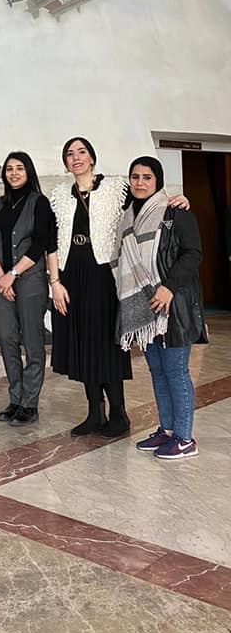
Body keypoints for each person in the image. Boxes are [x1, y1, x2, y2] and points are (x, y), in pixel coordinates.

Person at [48, 137, 188, 438]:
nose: (76, 158)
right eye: (70, 154)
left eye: (82, 152)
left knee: (106, 344)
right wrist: (55, 282)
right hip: (72, 276)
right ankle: (94, 413)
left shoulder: (115, 188)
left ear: (92, 158)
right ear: (65, 163)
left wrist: (176, 200)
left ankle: (118, 414)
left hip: (105, 276)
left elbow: (145, 202)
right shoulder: (59, 195)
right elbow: (51, 241)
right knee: (82, 343)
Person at [112, 157, 204, 459]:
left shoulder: (175, 212)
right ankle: (167, 430)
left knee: (175, 371)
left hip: (173, 306)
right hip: (144, 309)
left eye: (147, 177)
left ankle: (185, 438)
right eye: (135, 176)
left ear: (158, 181)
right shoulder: (127, 217)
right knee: (158, 371)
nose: (140, 182)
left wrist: (168, 287)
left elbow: (192, 254)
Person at [0, 152, 53, 426]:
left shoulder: (39, 202)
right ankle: (15, 398)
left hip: (30, 281)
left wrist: (12, 274)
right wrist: (1, 276)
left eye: (19, 168)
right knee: (7, 339)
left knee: (33, 342)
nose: (14, 173)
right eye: (9, 169)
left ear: (28, 172)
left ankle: (30, 403)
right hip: (2, 282)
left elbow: (40, 243)